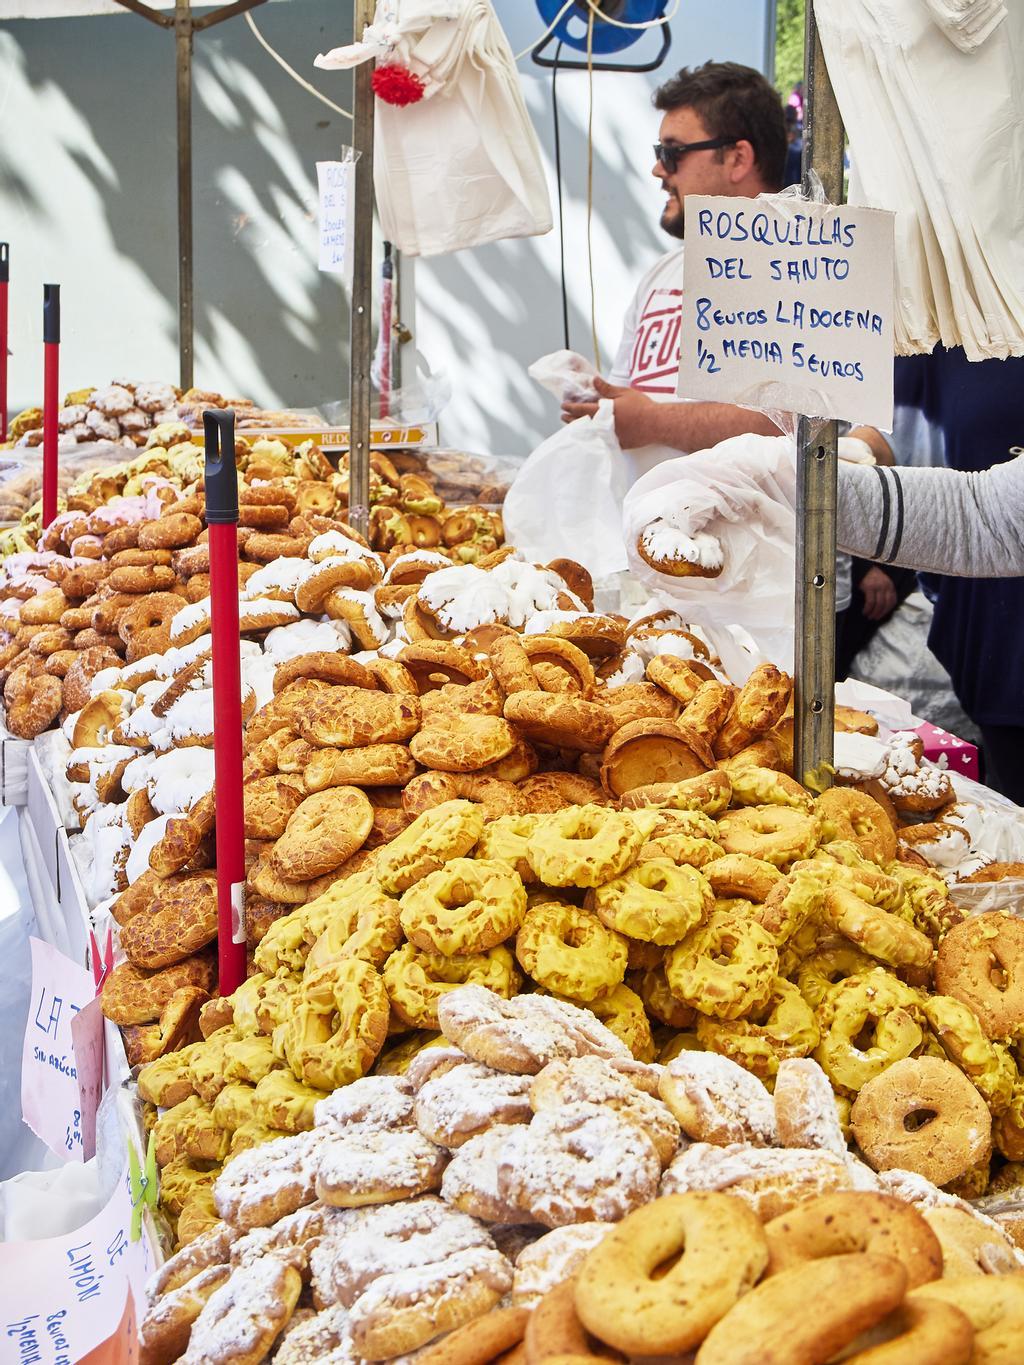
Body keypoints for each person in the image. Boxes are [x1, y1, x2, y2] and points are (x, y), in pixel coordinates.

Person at [560, 62, 787, 452]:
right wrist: (598, 405)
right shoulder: (662, 273)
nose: (657, 169)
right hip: (641, 513)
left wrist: (653, 422)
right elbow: (626, 402)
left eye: (672, 152)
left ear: (738, 159)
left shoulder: (807, 271)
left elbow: (805, 429)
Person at [842, 345, 1024, 803]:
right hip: (999, 637)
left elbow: (988, 516)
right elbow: (983, 513)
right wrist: (838, 462)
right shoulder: (958, 317)